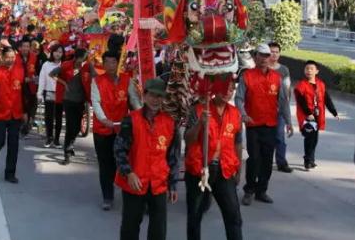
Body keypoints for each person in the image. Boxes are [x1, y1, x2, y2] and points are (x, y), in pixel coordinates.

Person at [114, 78, 180, 240]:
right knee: (130, 226)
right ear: (144, 96)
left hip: (159, 183)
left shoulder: (170, 123)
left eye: (159, 96)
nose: (156, 100)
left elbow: (173, 157)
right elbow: (119, 149)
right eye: (152, 95)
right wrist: (129, 173)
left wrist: (173, 184)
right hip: (135, 182)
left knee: (158, 229)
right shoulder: (131, 120)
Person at [234, 43, 293, 206]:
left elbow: (283, 102)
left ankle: (262, 190)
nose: (265, 59)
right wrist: (243, 115)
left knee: (267, 160)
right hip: (253, 125)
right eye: (261, 55)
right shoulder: (246, 76)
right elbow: (238, 98)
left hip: (271, 125)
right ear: (255, 57)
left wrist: (288, 121)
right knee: (254, 159)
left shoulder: (277, 77)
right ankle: (249, 190)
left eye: (267, 56)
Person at [184, 77, 243, 240]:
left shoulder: (235, 114)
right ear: (215, 90)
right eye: (223, 88)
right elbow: (188, 140)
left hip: (225, 170)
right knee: (195, 216)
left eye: (231, 89)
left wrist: (239, 171)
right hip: (199, 170)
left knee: (233, 216)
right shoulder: (198, 110)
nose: (227, 92)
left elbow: (238, 143)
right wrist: (200, 124)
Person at [91, 51, 142, 210]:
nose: (111, 66)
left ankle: (131, 193)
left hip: (121, 130)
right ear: (104, 64)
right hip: (102, 130)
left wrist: (142, 117)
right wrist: (103, 119)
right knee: (105, 164)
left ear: (117, 64)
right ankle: (108, 196)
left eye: (114, 62)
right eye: (108, 62)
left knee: (124, 162)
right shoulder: (96, 81)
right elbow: (96, 102)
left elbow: (134, 102)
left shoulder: (127, 81)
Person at [0, 46, 27, 183]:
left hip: (16, 113)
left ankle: (10, 173)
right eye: (7, 57)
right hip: (0, 113)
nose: (10, 60)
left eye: (12, 57)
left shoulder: (20, 71)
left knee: (13, 144)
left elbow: (24, 93)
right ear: (2, 58)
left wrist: (25, 112)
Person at [50, 48, 94, 165]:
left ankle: (71, 144)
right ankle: (67, 154)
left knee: (77, 128)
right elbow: (52, 74)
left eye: (83, 61)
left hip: (81, 101)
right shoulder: (66, 65)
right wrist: (64, 83)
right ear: (75, 58)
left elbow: (96, 78)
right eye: (79, 61)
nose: (81, 64)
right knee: (70, 127)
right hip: (68, 100)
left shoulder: (88, 66)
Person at [294, 60, 339, 170]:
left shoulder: (321, 84)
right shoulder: (301, 85)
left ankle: (311, 160)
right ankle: (307, 161)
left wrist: (334, 112)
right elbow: (300, 101)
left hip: (318, 116)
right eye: (307, 69)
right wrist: (308, 113)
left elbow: (327, 99)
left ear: (317, 71)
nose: (308, 71)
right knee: (310, 138)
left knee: (314, 139)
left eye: (311, 69)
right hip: (306, 116)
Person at [268, 42, 293, 173]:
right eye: (272, 51)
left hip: (279, 110)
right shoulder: (263, 67)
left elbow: (287, 88)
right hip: (264, 110)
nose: (274, 54)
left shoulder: (284, 69)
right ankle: (264, 161)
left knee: (279, 137)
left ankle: (281, 162)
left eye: (276, 52)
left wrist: (286, 107)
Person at [37, 43, 65, 148]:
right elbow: (42, 79)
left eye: (60, 52)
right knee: (49, 116)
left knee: (58, 117)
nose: (58, 54)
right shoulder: (46, 65)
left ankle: (57, 139)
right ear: (52, 52)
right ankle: (49, 137)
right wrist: (39, 93)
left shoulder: (64, 65)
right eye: (56, 51)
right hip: (49, 92)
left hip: (60, 93)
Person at [16, 38, 39, 136]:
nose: (25, 48)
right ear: (20, 48)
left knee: (32, 105)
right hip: (19, 86)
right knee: (21, 106)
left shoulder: (34, 57)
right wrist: (22, 79)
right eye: (23, 46)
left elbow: (38, 70)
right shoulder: (15, 58)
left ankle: (29, 122)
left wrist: (36, 77)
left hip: (32, 86)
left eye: (27, 46)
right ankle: (23, 125)